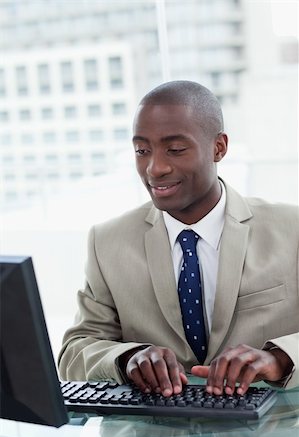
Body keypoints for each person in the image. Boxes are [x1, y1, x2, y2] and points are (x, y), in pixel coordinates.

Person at [58, 80, 299, 397]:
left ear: (219, 148)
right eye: (142, 151)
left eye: (175, 150)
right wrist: (127, 358)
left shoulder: (291, 229)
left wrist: (279, 358)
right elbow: (75, 352)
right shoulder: (107, 242)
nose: (154, 168)